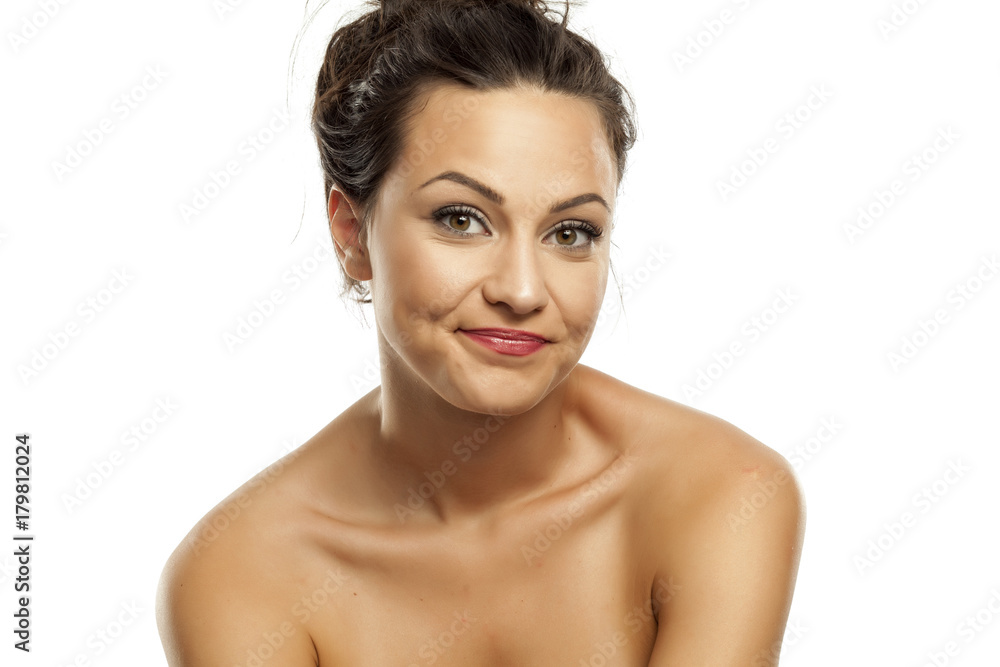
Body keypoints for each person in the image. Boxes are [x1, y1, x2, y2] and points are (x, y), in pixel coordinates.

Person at [156, 0, 805, 664]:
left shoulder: (722, 493)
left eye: (570, 232)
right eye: (461, 219)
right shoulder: (240, 577)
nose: (522, 290)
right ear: (352, 234)